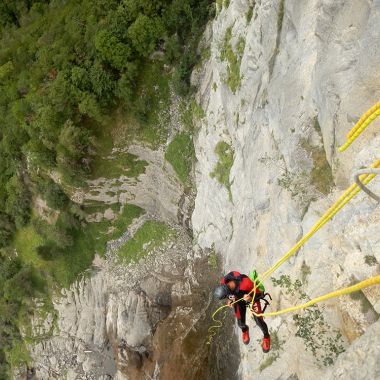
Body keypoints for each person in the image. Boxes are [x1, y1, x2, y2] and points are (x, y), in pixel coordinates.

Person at [214, 271, 271, 352]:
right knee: (240, 323)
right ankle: (245, 330)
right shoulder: (223, 283)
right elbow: (230, 295)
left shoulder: (246, 283)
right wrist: (230, 300)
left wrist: (250, 298)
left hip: (252, 297)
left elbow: (260, 294)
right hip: (239, 299)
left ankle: (266, 336)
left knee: (259, 321)